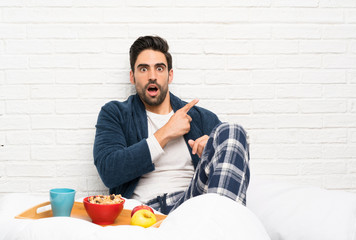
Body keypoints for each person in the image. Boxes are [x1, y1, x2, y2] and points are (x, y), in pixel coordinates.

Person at [93, 36, 250, 215]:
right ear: (132, 76)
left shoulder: (199, 118)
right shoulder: (115, 113)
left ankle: (220, 221)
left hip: (192, 204)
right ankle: (220, 226)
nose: (152, 76)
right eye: (143, 69)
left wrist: (213, 150)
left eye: (159, 68)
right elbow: (109, 171)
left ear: (170, 75)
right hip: (147, 210)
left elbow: (235, 160)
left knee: (233, 131)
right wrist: (166, 132)